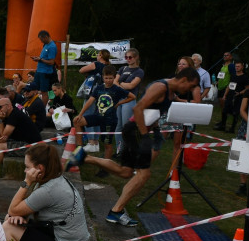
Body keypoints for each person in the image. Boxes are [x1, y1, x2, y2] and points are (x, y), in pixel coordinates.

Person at [72, 68, 201, 226]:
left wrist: (155, 128)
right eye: (190, 86)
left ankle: (84, 157)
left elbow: (152, 111)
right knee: (143, 174)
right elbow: (138, 109)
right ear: (184, 80)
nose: (189, 90)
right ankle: (116, 211)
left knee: (125, 172)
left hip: (138, 130)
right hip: (136, 131)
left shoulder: (170, 91)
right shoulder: (160, 87)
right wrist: (145, 136)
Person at [3, 144, 89, 241]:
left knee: (8, 227)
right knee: (11, 219)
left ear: (40, 168)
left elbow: (13, 209)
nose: (25, 171)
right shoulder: (55, 180)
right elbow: (19, 210)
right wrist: (19, 217)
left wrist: (26, 182)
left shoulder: (48, 190)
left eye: (27, 167)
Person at [73, 65, 134, 166]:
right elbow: (90, 101)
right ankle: (79, 150)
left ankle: (106, 167)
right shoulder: (99, 88)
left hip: (110, 120)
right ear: (103, 77)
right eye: (106, 78)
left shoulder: (117, 89)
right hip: (98, 116)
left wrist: (119, 103)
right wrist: (80, 114)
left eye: (111, 78)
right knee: (77, 121)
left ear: (114, 77)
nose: (108, 80)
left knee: (107, 145)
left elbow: (132, 96)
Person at [0, 97, 42, 171]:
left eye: (0, 107)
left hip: (34, 147)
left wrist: (0, 119)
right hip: (24, 142)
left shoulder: (15, 115)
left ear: (8, 106)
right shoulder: (8, 115)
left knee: (0, 146)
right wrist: (1, 121)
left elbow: (3, 136)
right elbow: (2, 136)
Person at [113, 48, 145, 155]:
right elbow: (114, 81)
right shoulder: (122, 68)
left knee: (126, 126)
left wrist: (120, 84)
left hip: (129, 99)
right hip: (119, 99)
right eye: (126, 57)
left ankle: (128, 150)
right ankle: (119, 149)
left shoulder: (139, 71)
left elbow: (132, 85)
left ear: (136, 58)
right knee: (118, 125)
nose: (128, 59)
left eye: (130, 57)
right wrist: (122, 84)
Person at [216, 60, 249, 132]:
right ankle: (223, 125)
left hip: (238, 97)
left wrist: (240, 93)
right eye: (236, 66)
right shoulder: (233, 75)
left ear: (242, 67)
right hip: (230, 95)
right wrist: (225, 95)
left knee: (235, 113)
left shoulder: (244, 77)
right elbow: (229, 85)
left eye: (238, 66)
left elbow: (247, 88)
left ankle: (232, 128)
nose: (237, 68)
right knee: (224, 110)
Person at [30, 30, 58, 103]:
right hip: (39, 70)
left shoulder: (52, 46)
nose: (41, 41)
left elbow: (51, 62)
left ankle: (42, 110)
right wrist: (38, 59)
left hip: (45, 72)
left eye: (41, 39)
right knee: (34, 89)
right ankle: (33, 105)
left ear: (46, 37)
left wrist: (41, 59)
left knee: (44, 92)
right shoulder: (45, 45)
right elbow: (43, 58)